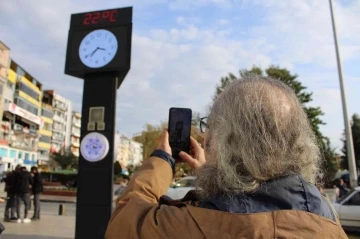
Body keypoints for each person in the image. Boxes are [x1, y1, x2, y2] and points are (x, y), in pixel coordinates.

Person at [105, 76, 347, 238]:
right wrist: (214, 175)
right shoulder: (328, 221)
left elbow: (124, 222)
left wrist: (161, 159)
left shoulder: (187, 226)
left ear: (225, 138)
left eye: (209, 126)